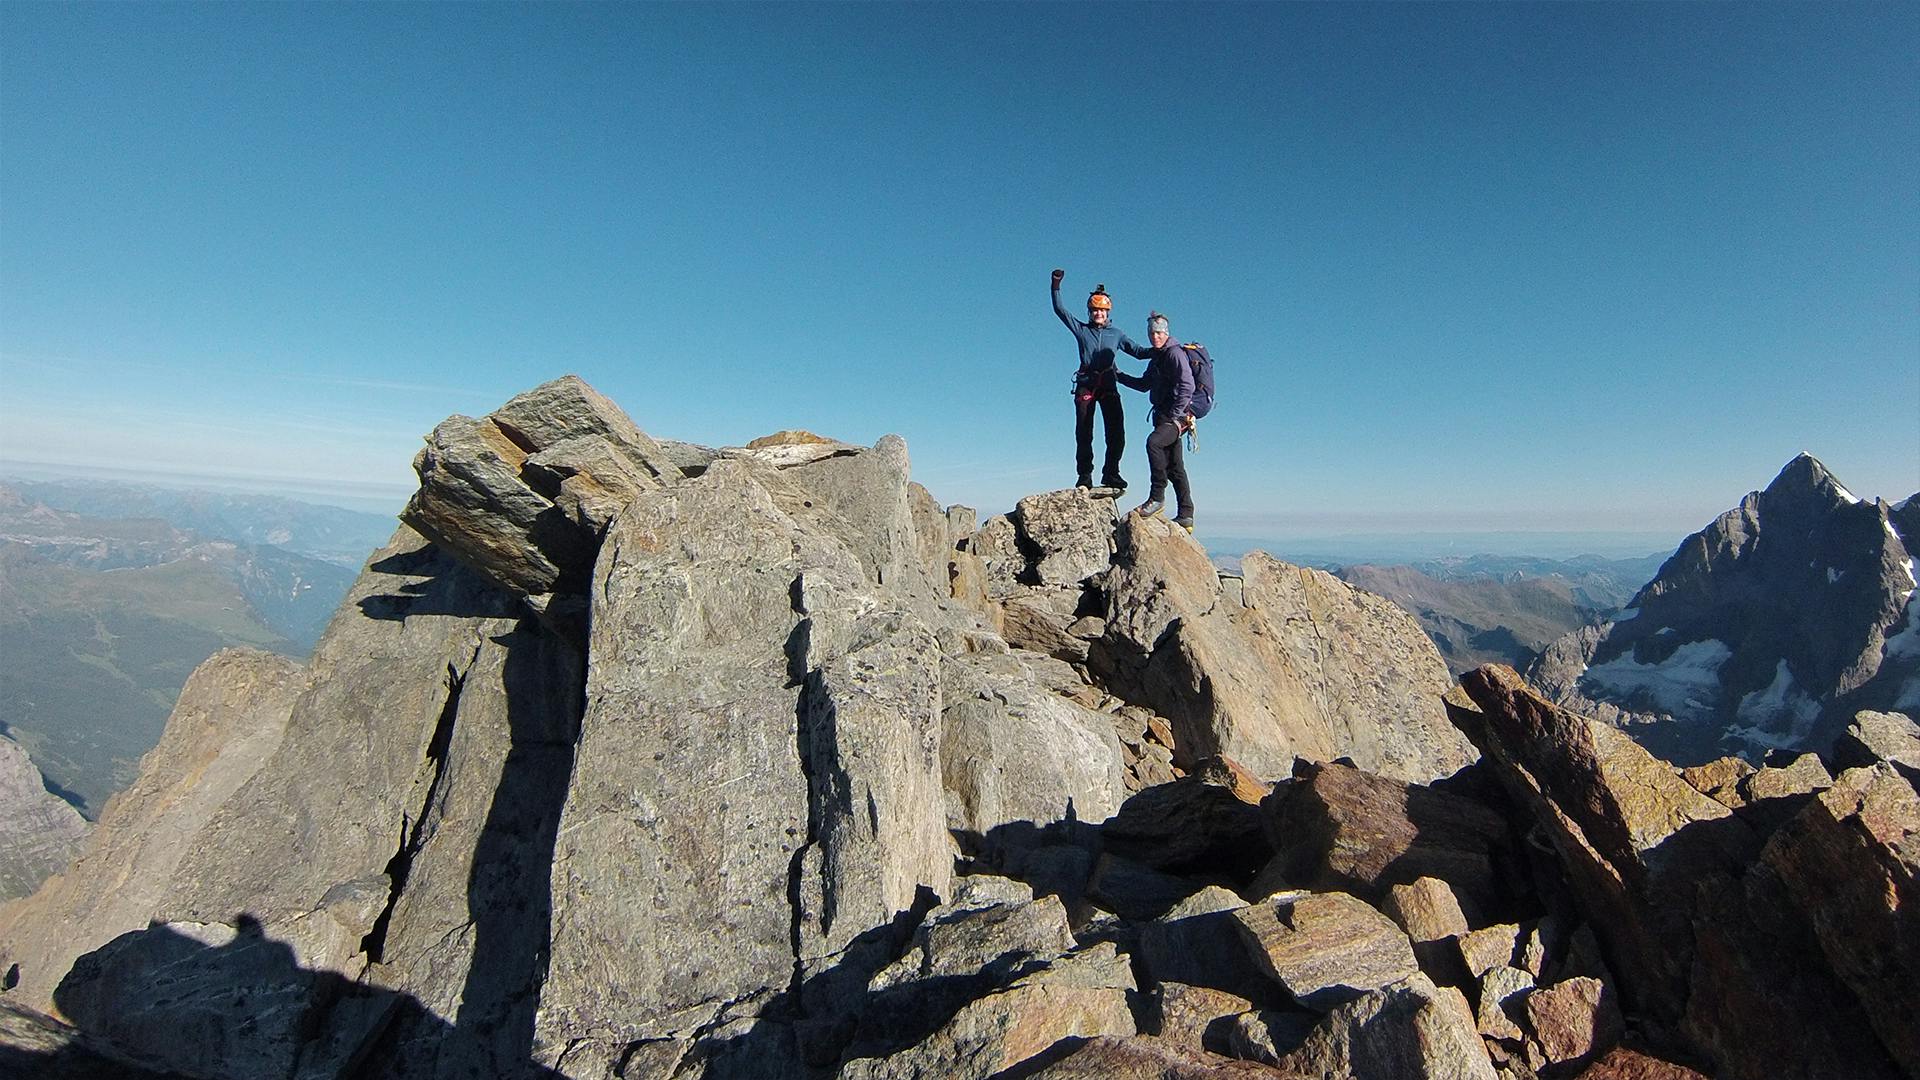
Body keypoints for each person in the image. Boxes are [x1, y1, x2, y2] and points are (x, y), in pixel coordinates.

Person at [1051, 268, 1150, 490]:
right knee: (1084, 432)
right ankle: (1085, 475)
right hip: (1086, 384)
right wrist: (1056, 284)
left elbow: (1138, 352)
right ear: (1090, 312)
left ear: (1108, 312)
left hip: (1108, 385)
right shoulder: (1082, 330)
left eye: (1102, 310)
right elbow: (1059, 310)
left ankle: (1111, 473)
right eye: (1095, 310)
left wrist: (1162, 350)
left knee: (1116, 433)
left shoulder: (1117, 334)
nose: (1098, 314)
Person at [1113, 311, 1196, 531]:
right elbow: (1144, 385)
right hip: (1164, 415)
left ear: (1166, 333)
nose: (1155, 337)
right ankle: (1186, 514)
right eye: (1152, 333)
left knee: (1154, 443)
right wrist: (1118, 375)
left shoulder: (1174, 354)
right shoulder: (1158, 357)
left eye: (1159, 333)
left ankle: (1157, 497)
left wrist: (1176, 414)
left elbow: (1188, 385)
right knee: (1175, 466)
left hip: (1176, 417)